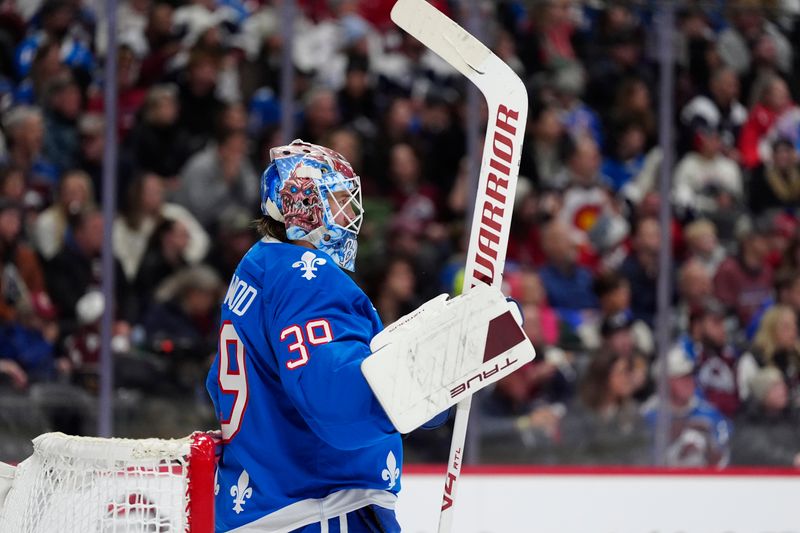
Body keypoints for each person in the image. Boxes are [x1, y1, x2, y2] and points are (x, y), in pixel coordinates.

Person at [206, 140, 402, 532]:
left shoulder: (260, 264)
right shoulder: (306, 277)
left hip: (263, 505)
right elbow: (338, 404)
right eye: (341, 200)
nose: (351, 215)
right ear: (305, 206)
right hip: (318, 509)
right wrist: (422, 384)